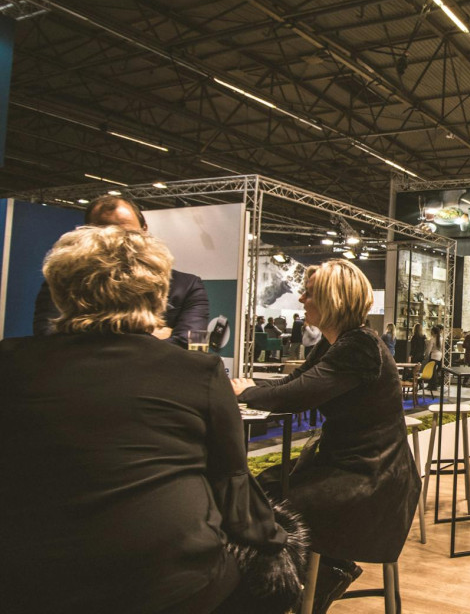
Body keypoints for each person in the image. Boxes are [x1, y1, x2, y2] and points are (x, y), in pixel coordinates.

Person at [3, 226, 302, 613]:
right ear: (159, 296)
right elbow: (233, 488)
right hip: (169, 582)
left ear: (58, 292)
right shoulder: (198, 372)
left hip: (24, 580)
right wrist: (279, 545)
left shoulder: (10, 364)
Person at [233, 260, 421, 614]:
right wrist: (251, 388)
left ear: (331, 299)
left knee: (266, 503)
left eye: (310, 293)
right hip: (350, 467)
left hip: (373, 481)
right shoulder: (339, 343)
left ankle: (305, 589)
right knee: (258, 489)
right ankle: (298, 590)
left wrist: (244, 392)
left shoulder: (359, 347)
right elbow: (294, 383)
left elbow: (296, 394)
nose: (302, 298)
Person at [32, 194, 210, 348]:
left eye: (125, 231)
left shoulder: (186, 285)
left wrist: (87, 332)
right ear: (86, 233)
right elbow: (47, 337)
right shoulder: (64, 280)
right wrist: (155, 334)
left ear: (144, 229)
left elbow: (188, 343)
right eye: (103, 231)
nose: (115, 239)